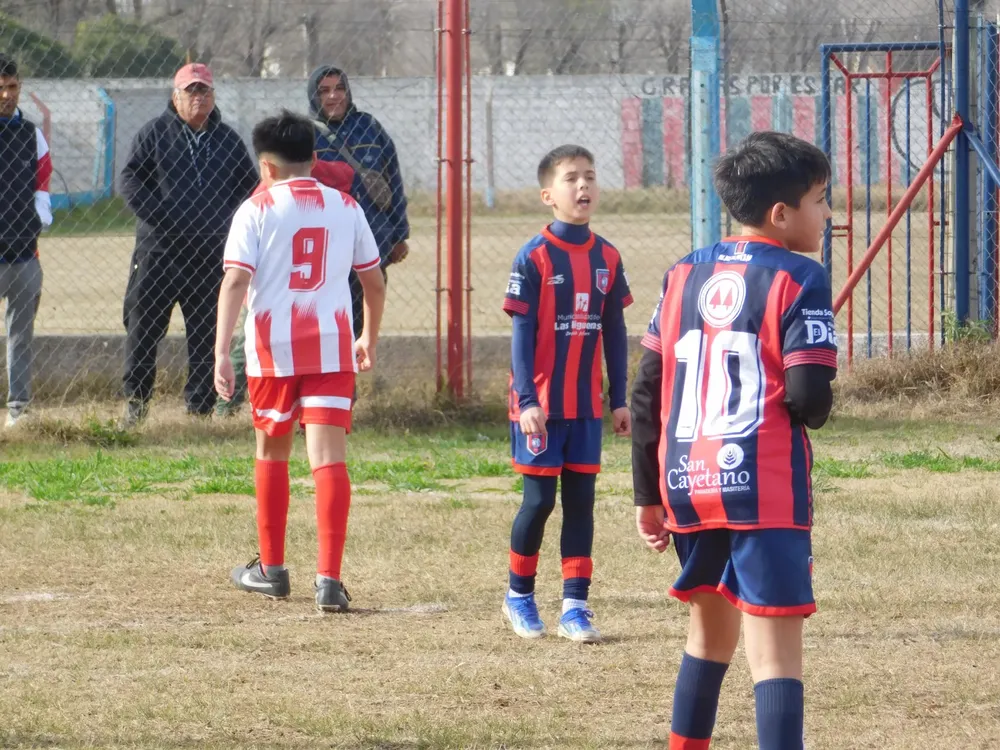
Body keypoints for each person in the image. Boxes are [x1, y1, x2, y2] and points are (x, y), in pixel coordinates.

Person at [630, 131, 838, 749]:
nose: (828, 215)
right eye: (822, 200)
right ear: (782, 214)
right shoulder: (801, 277)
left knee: (708, 639)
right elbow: (809, 400)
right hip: (763, 489)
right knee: (773, 655)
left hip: (688, 484)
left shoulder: (681, 274)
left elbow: (647, 390)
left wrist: (648, 494)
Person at [216, 110, 385, 612]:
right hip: (332, 348)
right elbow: (373, 281)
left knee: (272, 454)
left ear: (264, 167)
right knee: (329, 460)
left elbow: (235, 281)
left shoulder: (257, 208)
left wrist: (222, 350)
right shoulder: (347, 205)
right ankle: (329, 581)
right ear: (315, 158)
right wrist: (367, 336)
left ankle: (272, 569)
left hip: (272, 352)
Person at [501, 144, 632, 644]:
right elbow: (520, 333)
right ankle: (519, 596)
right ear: (547, 196)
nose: (583, 186)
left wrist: (618, 398)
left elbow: (615, 332)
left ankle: (575, 606)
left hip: (584, 408)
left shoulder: (608, 256)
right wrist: (528, 401)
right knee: (538, 503)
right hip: (539, 408)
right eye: (571, 178)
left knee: (582, 505)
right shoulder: (532, 256)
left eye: (590, 177)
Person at [118, 62, 259, 427]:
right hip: (159, 254)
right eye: (191, 90)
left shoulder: (227, 140)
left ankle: (200, 410)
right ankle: (136, 404)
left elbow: (249, 189)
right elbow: (131, 182)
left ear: (212, 97)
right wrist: (164, 217)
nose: (198, 97)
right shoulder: (154, 134)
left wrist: (224, 225)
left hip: (209, 256)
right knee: (143, 330)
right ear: (175, 96)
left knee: (207, 333)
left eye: (204, 91)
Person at [214, 158, 356, 419]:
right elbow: (347, 173)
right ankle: (328, 409)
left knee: (247, 354)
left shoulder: (261, 201)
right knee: (326, 363)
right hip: (321, 300)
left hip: (272, 302)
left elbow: (236, 277)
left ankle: (225, 408)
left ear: (268, 166)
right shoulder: (341, 202)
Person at [308, 64, 409, 341]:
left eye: (339, 89)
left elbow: (394, 182)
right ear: (313, 96)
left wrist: (399, 235)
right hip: (324, 251)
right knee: (325, 332)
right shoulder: (305, 135)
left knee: (359, 331)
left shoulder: (371, 128)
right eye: (324, 91)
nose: (333, 97)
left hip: (371, 244)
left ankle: (347, 383)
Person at [0, 54, 52, 428]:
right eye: (0, 88)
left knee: (20, 336)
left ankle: (18, 409)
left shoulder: (30, 134)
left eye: (12, 87)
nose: (6, 95)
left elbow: (43, 181)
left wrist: (40, 213)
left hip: (23, 255)